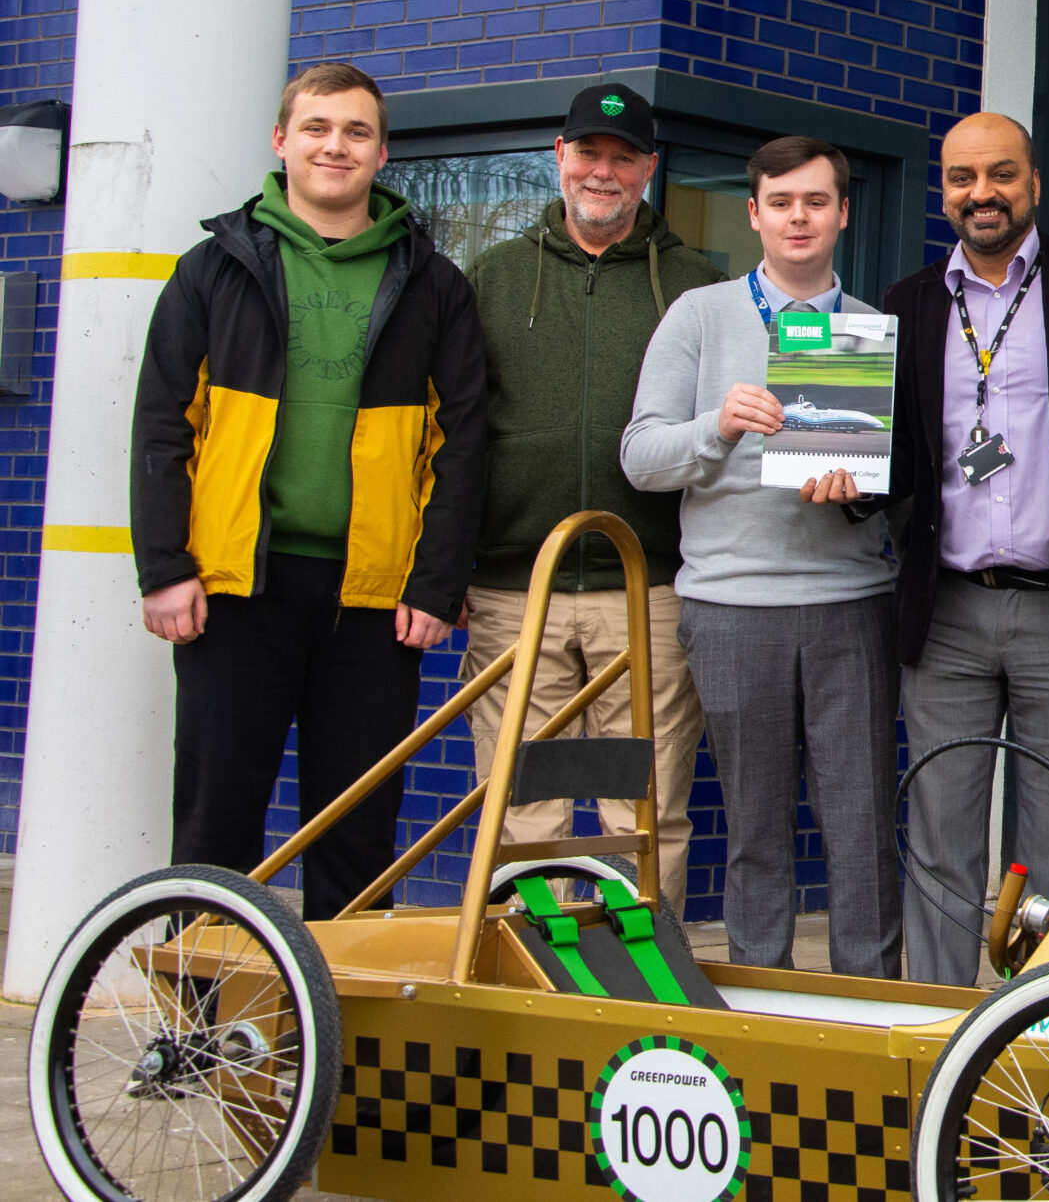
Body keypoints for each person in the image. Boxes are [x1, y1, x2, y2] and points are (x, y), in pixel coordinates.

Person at [132, 62, 489, 919]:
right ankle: (202, 1028)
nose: (337, 146)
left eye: (357, 131)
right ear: (281, 140)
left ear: (382, 151)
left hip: (374, 601)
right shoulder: (209, 270)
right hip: (233, 586)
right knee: (218, 823)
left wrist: (436, 582)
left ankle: (351, 1042)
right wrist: (164, 565)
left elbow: (463, 442)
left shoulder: (434, 283)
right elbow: (161, 425)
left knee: (359, 831)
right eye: (320, 127)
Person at [620, 135, 901, 975]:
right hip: (732, 603)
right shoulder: (700, 316)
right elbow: (641, 456)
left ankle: (868, 1005)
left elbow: (901, 479)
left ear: (843, 212)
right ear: (755, 214)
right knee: (755, 826)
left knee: (859, 824)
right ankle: (760, 994)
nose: (799, 217)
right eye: (781, 203)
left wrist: (859, 489)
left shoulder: (868, 330)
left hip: (850, 599)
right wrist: (719, 425)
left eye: (817, 201)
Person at [877, 111, 1049, 984]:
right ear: (942, 190)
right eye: (961, 178)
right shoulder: (906, 303)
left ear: (1032, 180)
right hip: (944, 609)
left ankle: (1043, 1031)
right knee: (940, 836)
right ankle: (940, 1032)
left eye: (999, 174)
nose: (980, 194)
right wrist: (837, 476)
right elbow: (901, 459)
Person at [460, 83, 725, 907]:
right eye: (588, 153)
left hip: (647, 589)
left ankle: (640, 998)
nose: (602, 171)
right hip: (514, 588)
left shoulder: (696, 286)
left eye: (622, 157)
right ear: (560, 157)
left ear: (649, 167)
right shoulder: (494, 277)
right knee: (521, 811)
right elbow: (456, 431)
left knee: (643, 811)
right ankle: (533, 987)